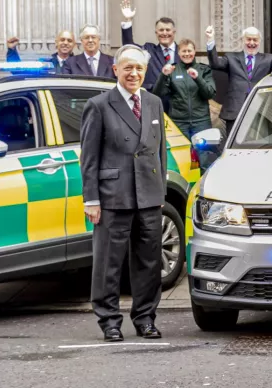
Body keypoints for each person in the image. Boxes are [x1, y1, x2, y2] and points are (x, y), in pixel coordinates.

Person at [81, 45, 167, 342]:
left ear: (146, 71)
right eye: (128, 68)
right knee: (109, 263)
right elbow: (89, 157)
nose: (134, 73)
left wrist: (160, 191)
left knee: (148, 262)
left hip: (148, 196)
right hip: (113, 196)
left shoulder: (154, 102)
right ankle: (109, 321)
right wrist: (91, 199)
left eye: (139, 68)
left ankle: (145, 318)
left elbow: (160, 151)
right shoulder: (99, 105)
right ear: (115, 69)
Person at [206, 26, 272, 133]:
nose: (251, 43)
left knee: (260, 144)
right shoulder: (231, 57)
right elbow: (215, 63)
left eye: (255, 40)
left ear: (260, 41)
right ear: (242, 40)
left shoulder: (268, 58)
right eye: (248, 39)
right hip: (235, 111)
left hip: (260, 110)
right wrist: (210, 40)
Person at [154, 39, 216, 139]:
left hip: (201, 121)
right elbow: (158, 94)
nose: (187, 54)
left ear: (194, 52)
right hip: (179, 122)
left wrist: (197, 78)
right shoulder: (172, 70)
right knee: (180, 153)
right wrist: (163, 76)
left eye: (189, 51)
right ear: (178, 53)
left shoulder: (204, 69)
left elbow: (209, 94)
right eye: (184, 51)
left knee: (204, 153)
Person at [117, 0, 179, 93]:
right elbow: (129, 47)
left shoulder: (183, 52)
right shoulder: (149, 50)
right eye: (161, 30)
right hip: (155, 100)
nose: (164, 33)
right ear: (156, 33)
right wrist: (128, 20)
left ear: (174, 32)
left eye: (168, 30)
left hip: (177, 104)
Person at [5, 31, 76, 70]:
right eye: (62, 40)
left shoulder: (80, 65)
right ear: (56, 43)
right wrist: (12, 50)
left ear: (74, 45)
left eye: (69, 41)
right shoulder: (44, 63)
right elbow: (19, 71)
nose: (65, 43)